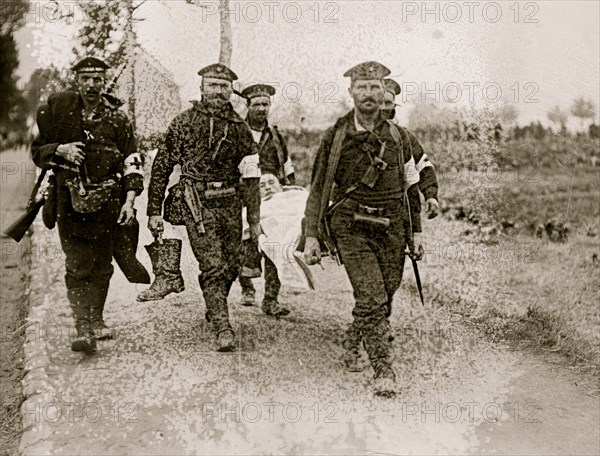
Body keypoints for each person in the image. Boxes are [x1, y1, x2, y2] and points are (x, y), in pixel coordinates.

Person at [302, 61, 424, 396]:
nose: (369, 94)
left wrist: (416, 233)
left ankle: (354, 336)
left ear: (385, 91)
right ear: (351, 92)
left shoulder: (400, 137)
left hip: (393, 227)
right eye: (362, 87)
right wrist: (311, 235)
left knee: (386, 293)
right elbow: (318, 188)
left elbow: (410, 187)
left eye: (375, 87)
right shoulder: (337, 136)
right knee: (371, 296)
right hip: (351, 225)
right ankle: (384, 369)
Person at [146, 63, 261, 352]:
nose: (218, 91)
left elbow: (251, 174)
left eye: (224, 86)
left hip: (231, 201)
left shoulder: (239, 128)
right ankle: (223, 325)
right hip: (196, 200)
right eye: (212, 85)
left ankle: (215, 302)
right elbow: (162, 166)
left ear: (230, 91)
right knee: (212, 264)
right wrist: (153, 211)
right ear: (201, 88)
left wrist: (255, 217)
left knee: (232, 264)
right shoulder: (183, 122)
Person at [31, 57, 144, 353]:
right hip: (69, 201)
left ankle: (96, 318)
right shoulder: (61, 115)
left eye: (97, 78)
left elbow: (132, 159)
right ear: (77, 81)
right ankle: (83, 328)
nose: (92, 84)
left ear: (105, 82)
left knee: (102, 265)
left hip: (108, 202)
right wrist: (61, 149)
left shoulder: (118, 118)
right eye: (85, 78)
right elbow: (37, 152)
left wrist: (130, 201)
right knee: (78, 263)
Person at [237, 84, 295, 312]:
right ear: (248, 106)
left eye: (265, 104)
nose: (261, 109)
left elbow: (286, 163)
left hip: (272, 194)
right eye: (256, 104)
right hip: (244, 193)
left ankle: (271, 299)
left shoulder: (276, 135)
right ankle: (247, 286)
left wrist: (289, 187)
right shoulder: (237, 132)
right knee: (245, 241)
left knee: (277, 242)